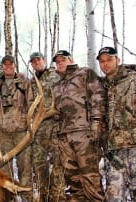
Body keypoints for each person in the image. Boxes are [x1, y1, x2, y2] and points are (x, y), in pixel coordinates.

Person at [96, 47, 136, 201]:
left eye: (109, 60)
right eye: (102, 61)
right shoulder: (100, 87)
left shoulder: (133, 79)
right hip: (114, 152)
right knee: (114, 196)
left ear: (117, 60)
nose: (105, 64)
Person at [52, 50, 106, 201]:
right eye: (57, 62)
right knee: (73, 180)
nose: (60, 63)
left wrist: (96, 121)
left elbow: (98, 96)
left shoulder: (85, 73)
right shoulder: (57, 86)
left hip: (84, 133)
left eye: (63, 60)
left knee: (90, 178)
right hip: (65, 136)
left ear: (71, 60)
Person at [0, 55, 34, 201]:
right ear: (2, 66)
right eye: (5, 64)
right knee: (4, 171)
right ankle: (7, 198)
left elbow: (32, 104)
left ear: (15, 65)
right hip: (3, 134)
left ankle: (26, 197)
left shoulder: (24, 83)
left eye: (10, 64)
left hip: (22, 133)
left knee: (25, 168)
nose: (8, 67)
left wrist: (30, 125)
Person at [29, 51, 66, 201]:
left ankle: (57, 196)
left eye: (39, 60)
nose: (37, 63)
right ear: (32, 64)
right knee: (38, 163)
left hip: (56, 126)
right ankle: (43, 195)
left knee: (58, 164)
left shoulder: (56, 75)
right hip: (39, 128)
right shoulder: (32, 82)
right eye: (34, 61)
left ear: (44, 60)